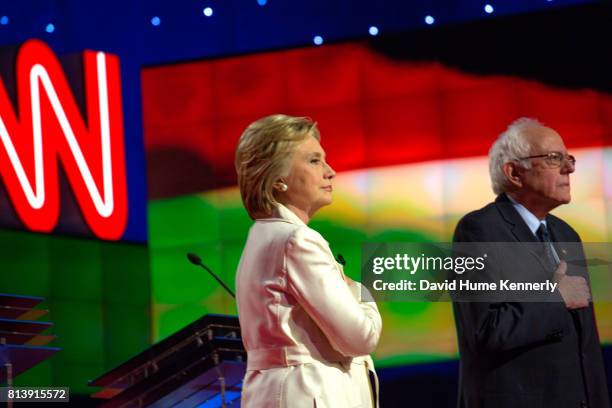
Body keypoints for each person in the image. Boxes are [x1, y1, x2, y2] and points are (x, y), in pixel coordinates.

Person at [452, 118, 610, 408]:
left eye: (569, 159)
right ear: (514, 172)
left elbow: (586, 348)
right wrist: (555, 297)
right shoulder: (478, 230)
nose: (570, 168)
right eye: (554, 158)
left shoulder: (567, 235)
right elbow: (485, 331)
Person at [234, 114, 382, 408]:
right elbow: (360, 338)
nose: (331, 172)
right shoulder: (297, 240)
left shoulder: (260, 237)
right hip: (310, 393)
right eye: (314, 161)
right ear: (278, 179)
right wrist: (359, 290)